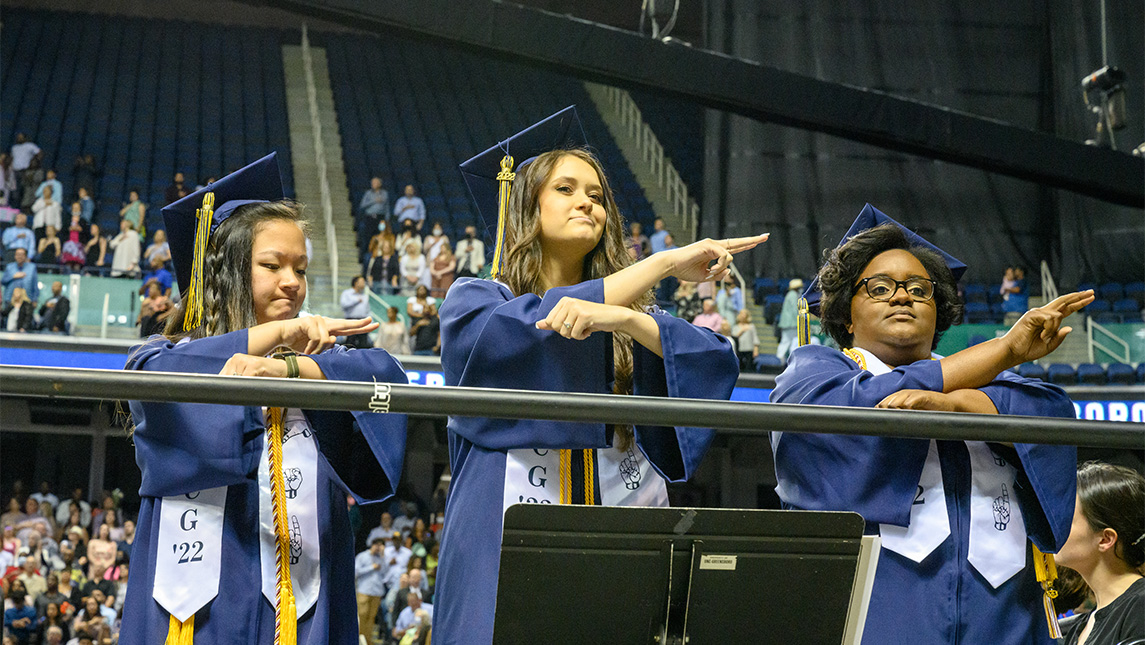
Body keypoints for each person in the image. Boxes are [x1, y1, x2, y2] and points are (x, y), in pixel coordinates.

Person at [438, 107, 764, 644]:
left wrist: (628, 318)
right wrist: (661, 263)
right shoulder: (475, 298)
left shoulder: (627, 317)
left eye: (596, 194)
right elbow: (519, 332)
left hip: (618, 522)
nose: (587, 201)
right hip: (502, 527)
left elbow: (713, 358)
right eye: (565, 188)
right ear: (522, 203)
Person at [770, 204, 1094, 645]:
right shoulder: (816, 372)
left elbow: (1050, 410)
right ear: (847, 314)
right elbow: (855, 406)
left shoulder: (986, 382)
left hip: (1005, 618)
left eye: (919, 290)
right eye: (879, 288)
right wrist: (1001, 350)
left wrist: (955, 405)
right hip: (878, 610)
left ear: (938, 312)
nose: (902, 296)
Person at [119, 153, 409, 644]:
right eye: (271, 265)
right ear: (228, 272)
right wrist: (276, 332)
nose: (292, 282)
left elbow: (385, 378)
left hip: (303, 594)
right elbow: (152, 378)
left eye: (300, 267)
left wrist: (287, 365)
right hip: (204, 590)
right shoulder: (175, 355)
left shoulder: (320, 359)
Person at [1056, 462, 1144, 645]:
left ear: (1105, 539)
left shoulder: (1140, 606)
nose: (1055, 527)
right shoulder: (1079, 627)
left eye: (1066, 518)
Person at [353, 538, 387, 643]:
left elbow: (386, 573)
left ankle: (367, 641)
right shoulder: (362, 556)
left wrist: (382, 557)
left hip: (377, 591)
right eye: (376, 545)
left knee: (371, 618)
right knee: (362, 615)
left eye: (380, 545)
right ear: (372, 545)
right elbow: (356, 571)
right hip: (364, 590)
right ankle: (358, 639)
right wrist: (371, 567)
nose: (378, 547)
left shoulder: (382, 558)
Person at [339, 275, 372, 349]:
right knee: (350, 343)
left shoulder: (365, 296)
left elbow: (368, 310)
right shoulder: (347, 293)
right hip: (351, 320)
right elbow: (344, 305)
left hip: (363, 321)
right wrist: (356, 301)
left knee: (363, 344)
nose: (364, 284)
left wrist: (370, 322)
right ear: (356, 283)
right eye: (362, 282)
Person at [775, 278, 803, 362]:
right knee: (786, 341)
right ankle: (779, 358)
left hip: (789, 323)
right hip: (790, 323)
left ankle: (782, 358)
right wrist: (800, 319)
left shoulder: (791, 294)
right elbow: (795, 309)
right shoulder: (793, 295)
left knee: (788, 341)